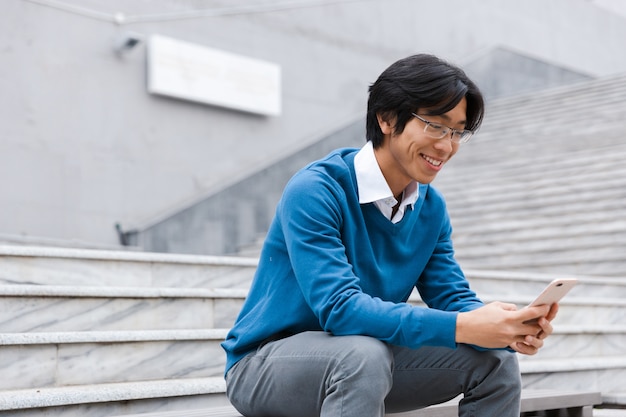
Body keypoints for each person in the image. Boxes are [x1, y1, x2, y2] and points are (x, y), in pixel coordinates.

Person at [221, 53, 558, 417]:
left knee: (495, 361)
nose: (447, 145)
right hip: (266, 365)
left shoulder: (430, 207)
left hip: (365, 359)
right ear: (386, 118)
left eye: (458, 131)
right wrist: (465, 326)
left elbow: (450, 294)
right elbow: (341, 309)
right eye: (435, 125)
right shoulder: (316, 190)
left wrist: (503, 326)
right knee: (362, 355)